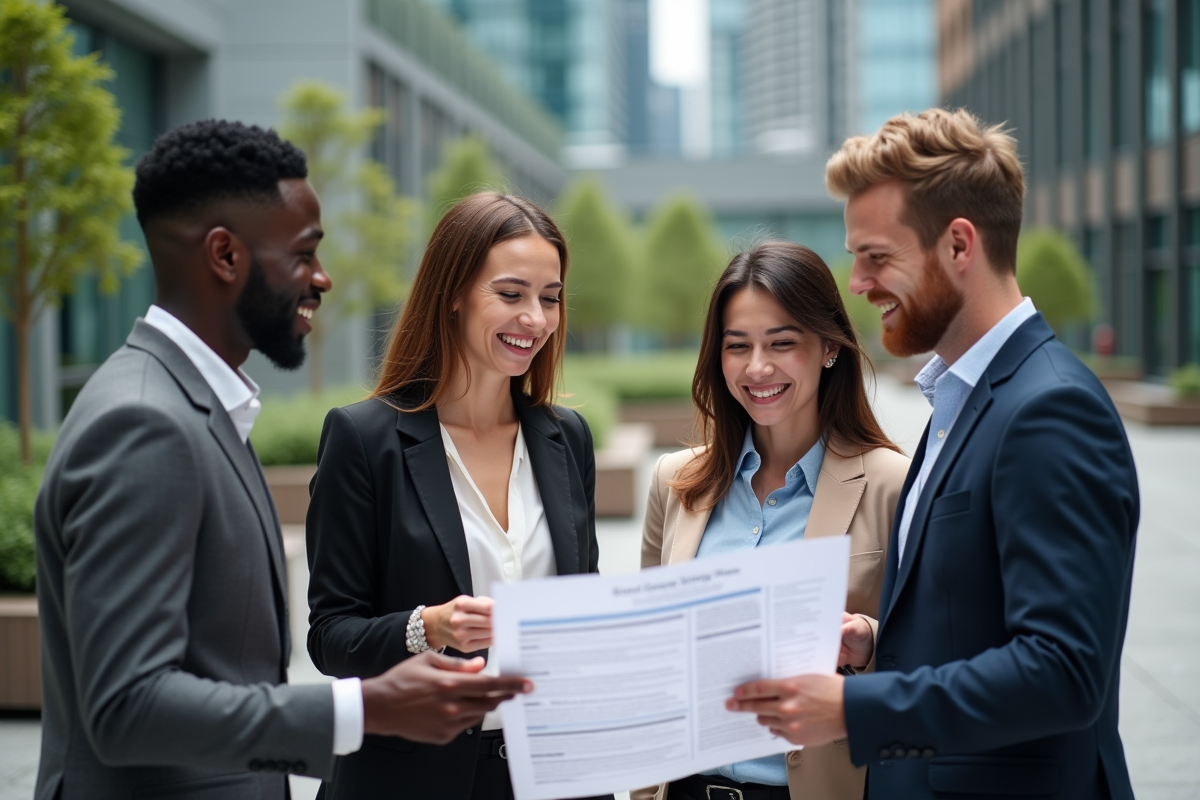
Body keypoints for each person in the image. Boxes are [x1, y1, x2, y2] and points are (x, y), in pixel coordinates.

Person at [33, 121, 529, 800]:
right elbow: (127, 707)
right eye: (303, 254)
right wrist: (366, 708)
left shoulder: (192, 407)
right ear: (225, 255)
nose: (322, 278)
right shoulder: (143, 422)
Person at [725, 109, 1139, 800]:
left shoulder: (1048, 410)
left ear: (958, 245)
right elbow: (980, 621)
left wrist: (853, 709)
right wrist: (878, 644)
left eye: (877, 257)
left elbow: (1064, 670)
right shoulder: (964, 401)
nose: (857, 282)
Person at [305, 191, 610, 800]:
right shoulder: (364, 439)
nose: (536, 319)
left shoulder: (565, 437)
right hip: (413, 778)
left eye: (549, 299)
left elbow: (586, 609)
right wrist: (430, 627)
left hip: (555, 772)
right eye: (511, 294)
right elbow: (331, 638)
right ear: (452, 294)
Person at [634, 242, 910, 800]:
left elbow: (936, 655)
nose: (757, 368)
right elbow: (650, 656)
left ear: (829, 346)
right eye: (738, 347)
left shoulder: (893, 485)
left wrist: (869, 641)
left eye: (782, 343)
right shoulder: (674, 482)